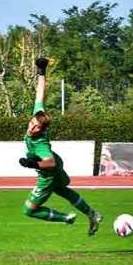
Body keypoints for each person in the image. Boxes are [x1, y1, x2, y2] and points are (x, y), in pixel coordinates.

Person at [18, 58, 103, 236]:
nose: (32, 128)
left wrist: (33, 164)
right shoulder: (38, 114)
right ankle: (92, 214)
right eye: (32, 124)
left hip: (48, 173)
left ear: (43, 129)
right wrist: (41, 71)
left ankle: (66, 218)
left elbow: (49, 162)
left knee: (29, 209)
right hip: (57, 165)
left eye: (37, 127)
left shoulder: (40, 143)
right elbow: (39, 95)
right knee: (62, 190)